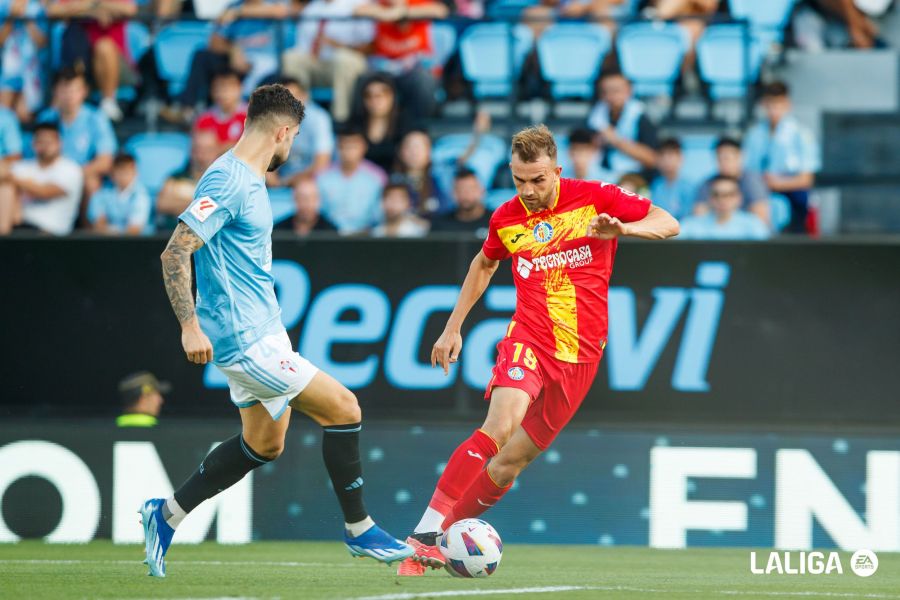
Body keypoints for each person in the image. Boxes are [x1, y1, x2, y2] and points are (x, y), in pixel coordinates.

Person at [141, 84, 412, 578]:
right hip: (244, 341)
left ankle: (166, 514)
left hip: (264, 333)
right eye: (295, 139)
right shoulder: (227, 181)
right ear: (283, 132)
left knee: (264, 444)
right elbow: (175, 251)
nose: (293, 149)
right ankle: (360, 530)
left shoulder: (248, 178)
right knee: (345, 407)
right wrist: (188, 326)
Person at [396, 124, 679, 576]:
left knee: (509, 464)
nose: (528, 190)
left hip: (581, 356)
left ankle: (444, 536)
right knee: (501, 425)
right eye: (519, 179)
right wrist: (452, 328)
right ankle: (425, 535)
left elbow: (669, 222)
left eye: (538, 179)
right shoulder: (506, 217)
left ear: (557, 171)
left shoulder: (595, 197)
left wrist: (624, 229)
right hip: (529, 337)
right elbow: (485, 263)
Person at [742, 81, 820, 234]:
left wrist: (776, 183)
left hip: (791, 194)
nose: (774, 110)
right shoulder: (754, 134)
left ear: (787, 104)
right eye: (770, 104)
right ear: (764, 104)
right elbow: (748, 170)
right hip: (758, 191)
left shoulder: (801, 134)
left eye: (778, 104)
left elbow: (806, 179)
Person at [281, 0, 373, 122]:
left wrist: (337, 45)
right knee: (291, 57)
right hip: (318, 65)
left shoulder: (358, 5)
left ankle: (342, 121)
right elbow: (301, 49)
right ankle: (297, 118)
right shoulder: (311, 8)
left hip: (348, 65)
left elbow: (370, 47)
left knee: (343, 59)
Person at [47, 0, 139, 122]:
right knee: (72, 36)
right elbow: (53, 10)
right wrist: (93, 10)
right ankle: (63, 101)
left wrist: (84, 8)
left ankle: (108, 101)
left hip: (116, 67)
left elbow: (130, 9)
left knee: (104, 46)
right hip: (83, 63)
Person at [356, 0, 449, 119]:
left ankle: (418, 125)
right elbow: (359, 10)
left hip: (414, 70)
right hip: (385, 68)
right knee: (365, 79)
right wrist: (387, 13)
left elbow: (440, 10)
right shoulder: (382, 4)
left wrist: (403, 12)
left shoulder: (416, 2)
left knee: (424, 79)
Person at [37, 66, 117, 200]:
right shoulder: (46, 118)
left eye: (74, 90)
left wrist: (73, 174)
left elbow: (105, 161)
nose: (69, 95)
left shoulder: (96, 118)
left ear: (84, 92)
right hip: (49, 175)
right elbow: (34, 154)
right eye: (64, 90)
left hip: (81, 175)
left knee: (91, 183)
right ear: (55, 91)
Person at [0, 122, 83, 235]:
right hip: (18, 224)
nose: (45, 146)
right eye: (41, 141)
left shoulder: (71, 169)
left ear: (59, 143)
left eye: (49, 141)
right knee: (6, 188)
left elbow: (45, 192)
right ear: (33, 144)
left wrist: (14, 180)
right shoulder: (23, 167)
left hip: (50, 231)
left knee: (7, 185)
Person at [316, 123, 387, 234]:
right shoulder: (321, 177)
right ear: (337, 147)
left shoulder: (377, 177)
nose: (348, 151)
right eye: (343, 146)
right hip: (329, 236)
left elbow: (380, 214)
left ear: (364, 147)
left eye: (353, 146)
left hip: (367, 237)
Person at [586, 72, 659, 179]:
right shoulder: (595, 116)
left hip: (633, 177)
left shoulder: (641, 117)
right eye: (605, 92)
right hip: (601, 177)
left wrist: (616, 140)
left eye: (616, 91)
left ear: (629, 91)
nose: (610, 96)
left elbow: (652, 160)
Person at [269, 76, 334, 188]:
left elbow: (322, 163)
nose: (289, 103)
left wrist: (292, 181)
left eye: (294, 97)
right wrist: (273, 179)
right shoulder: (273, 119)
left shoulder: (319, 118)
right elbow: (264, 158)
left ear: (305, 96)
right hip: (283, 182)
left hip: (314, 182)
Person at [694, 137, 770, 226]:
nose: (723, 163)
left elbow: (761, 221)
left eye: (727, 158)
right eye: (719, 159)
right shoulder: (707, 183)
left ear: (740, 157)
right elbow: (699, 217)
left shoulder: (753, 182)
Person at [156, 129, 221, 230]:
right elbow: (162, 204)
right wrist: (199, 204)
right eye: (198, 149)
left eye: (208, 150)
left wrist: (178, 204)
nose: (202, 155)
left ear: (216, 151)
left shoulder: (222, 181)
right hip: (169, 235)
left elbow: (218, 211)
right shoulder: (176, 177)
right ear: (191, 151)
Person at [350, 73, 415, 173]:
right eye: (369, 96)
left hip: (397, 181)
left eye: (380, 96)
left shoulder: (404, 122)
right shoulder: (355, 124)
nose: (374, 101)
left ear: (392, 97)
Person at [679, 174, 769, 240]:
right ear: (709, 198)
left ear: (739, 198)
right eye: (716, 195)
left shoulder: (753, 224)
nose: (722, 200)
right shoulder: (692, 224)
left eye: (728, 194)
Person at [0, 0, 47, 123]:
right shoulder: (3, 5)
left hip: (32, 69)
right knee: (3, 111)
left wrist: (26, 18)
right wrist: (11, 18)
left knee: (24, 114)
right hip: (8, 69)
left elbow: (42, 42)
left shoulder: (38, 6)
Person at [88, 153, 152, 235]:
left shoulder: (142, 195)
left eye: (127, 171)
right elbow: (98, 225)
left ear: (135, 172)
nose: (124, 176)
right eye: (120, 171)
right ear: (112, 174)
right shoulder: (101, 194)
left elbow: (134, 231)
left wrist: (110, 231)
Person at [392, 129, 451, 217]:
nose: (414, 152)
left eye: (419, 147)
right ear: (400, 152)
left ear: (429, 152)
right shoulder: (391, 182)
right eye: (409, 147)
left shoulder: (442, 181)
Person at [193, 68, 248, 151]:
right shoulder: (204, 119)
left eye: (227, 88)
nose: (222, 93)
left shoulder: (251, 117)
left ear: (240, 88)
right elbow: (198, 151)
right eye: (217, 89)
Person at [429, 167, 491, 235]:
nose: (465, 194)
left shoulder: (499, 222)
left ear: (482, 191)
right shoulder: (440, 225)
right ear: (452, 193)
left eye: (471, 189)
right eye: (460, 190)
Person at [648, 137, 696, 219]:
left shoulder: (690, 187)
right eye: (662, 156)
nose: (666, 160)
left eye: (670, 155)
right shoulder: (655, 185)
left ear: (680, 157)